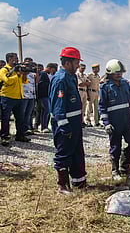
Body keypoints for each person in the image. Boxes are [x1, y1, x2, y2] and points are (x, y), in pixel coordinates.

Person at [49, 47, 87, 194]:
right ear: (68, 62)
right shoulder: (60, 79)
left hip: (75, 122)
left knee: (77, 151)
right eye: (76, 62)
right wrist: (64, 126)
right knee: (64, 153)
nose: (78, 65)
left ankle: (78, 181)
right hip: (65, 124)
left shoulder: (71, 76)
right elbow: (58, 107)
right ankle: (62, 185)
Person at [99, 59, 130, 180]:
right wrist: (106, 123)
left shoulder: (125, 84)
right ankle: (115, 170)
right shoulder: (105, 87)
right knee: (115, 147)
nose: (119, 74)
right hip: (114, 121)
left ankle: (125, 166)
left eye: (121, 72)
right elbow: (102, 106)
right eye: (117, 72)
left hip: (127, 120)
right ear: (110, 72)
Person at [0, 52, 30, 146]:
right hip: (7, 97)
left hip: (18, 97)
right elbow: (7, 81)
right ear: (10, 59)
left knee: (20, 118)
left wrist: (24, 74)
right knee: (6, 118)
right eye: (15, 58)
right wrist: (17, 74)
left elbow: (24, 82)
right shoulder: (4, 70)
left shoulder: (18, 70)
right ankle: (5, 136)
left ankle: (20, 135)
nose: (17, 60)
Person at [37, 63, 57, 133]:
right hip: (43, 95)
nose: (52, 72)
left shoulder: (46, 74)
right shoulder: (43, 74)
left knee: (45, 111)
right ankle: (44, 127)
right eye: (52, 70)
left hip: (46, 95)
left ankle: (44, 126)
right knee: (46, 111)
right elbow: (40, 84)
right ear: (50, 68)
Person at [20, 57, 37, 135]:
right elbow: (23, 80)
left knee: (29, 113)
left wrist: (37, 72)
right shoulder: (21, 72)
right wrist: (24, 72)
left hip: (32, 95)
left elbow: (37, 81)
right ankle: (21, 129)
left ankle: (27, 128)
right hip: (24, 95)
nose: (28, 66)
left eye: (30, 64)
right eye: (26, 64)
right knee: (22, 113)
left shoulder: (33, 73)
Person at [76, 63, 90, 127]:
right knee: (79, 107)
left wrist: (85, 83)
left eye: (84, 68)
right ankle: (79, 121)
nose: (83, 70)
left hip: (84, 91)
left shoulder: (84, 75)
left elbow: (89, 83)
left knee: (84, 107)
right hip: (80, 91)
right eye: (82, 68)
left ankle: (82, 121)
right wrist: (85, 83)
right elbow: (80, 84)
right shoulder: (77, 75)